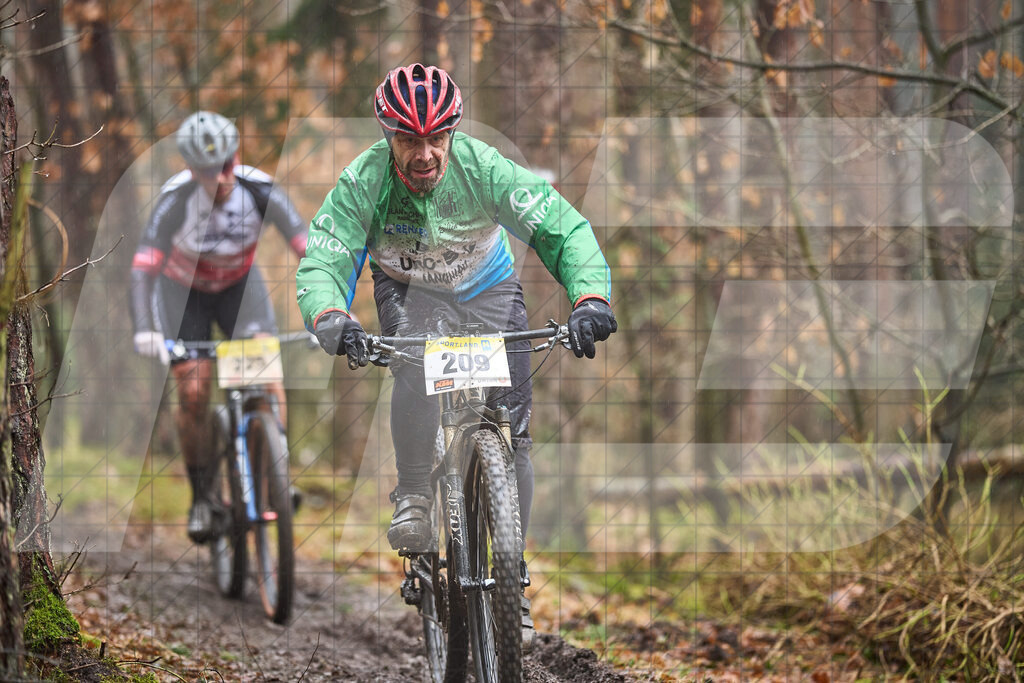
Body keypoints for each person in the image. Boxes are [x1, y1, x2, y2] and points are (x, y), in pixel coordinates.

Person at [296, 63, 616, 634]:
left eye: (436, 137)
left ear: (453, 133)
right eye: (408, 139)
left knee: (512, 427)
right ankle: (416, 490)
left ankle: (510, 575)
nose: (424, 154)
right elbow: (326, 255)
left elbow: (560, 226)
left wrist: (590, 296)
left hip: (488, 288)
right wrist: (329, 314)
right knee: (415, 360)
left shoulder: (484, 168)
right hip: (409, 289)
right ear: (387, 137)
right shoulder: (363, 182)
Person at [131, 111, 307, 542]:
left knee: (266, 374)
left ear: (236, 156)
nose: (221, 177)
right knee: (194, 390)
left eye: (227, 164)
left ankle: (276, 479)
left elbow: (308, 248)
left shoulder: (259, 188)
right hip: (183, 294)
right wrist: (144, 329)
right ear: (191, 169)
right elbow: (143, 269)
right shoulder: (176, 200)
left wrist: (331, 306)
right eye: (209, 171)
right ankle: (202, 497)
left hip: (238, 291)